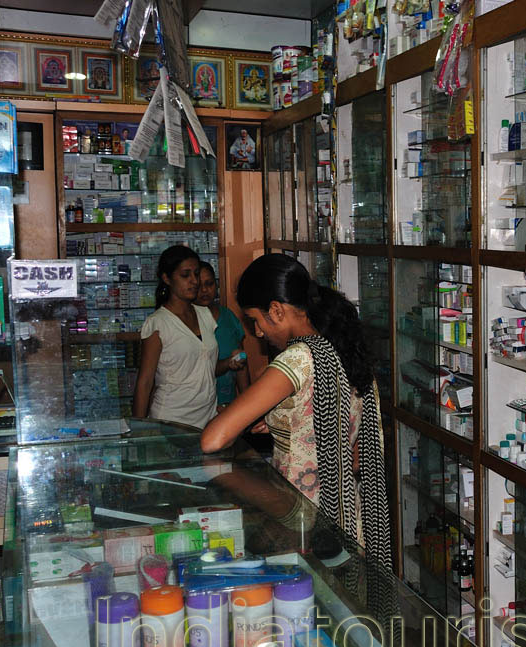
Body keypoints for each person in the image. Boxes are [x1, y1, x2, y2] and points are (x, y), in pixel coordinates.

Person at [200, 254, 388, 572]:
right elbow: (350, 447)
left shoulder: (296, 360)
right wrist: (278, 421)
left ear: (277, 310)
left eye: (256, 321)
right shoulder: (342, 345)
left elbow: (212, 440)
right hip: (347, 518)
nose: (258, 333)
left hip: (303, 520)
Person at [133, 245, 243, 428]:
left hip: (208, 417)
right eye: (185, 275)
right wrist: (138, 431)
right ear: (167, 278)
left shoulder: (206, 316)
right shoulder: (158, 324)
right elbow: (144, 382)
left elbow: (204, 368)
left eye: (196, 274)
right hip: (171, 420)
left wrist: (229, 363)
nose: (194, 281)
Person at [196, 261, 248, 407]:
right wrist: (227, 364)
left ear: (217, 285)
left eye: (209, 284)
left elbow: (241, 365)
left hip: (227, 405)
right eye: (199, 286)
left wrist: (246, 404)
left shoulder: (228, 317)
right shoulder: (187, 322)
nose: (205, 290)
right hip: (197, 409)